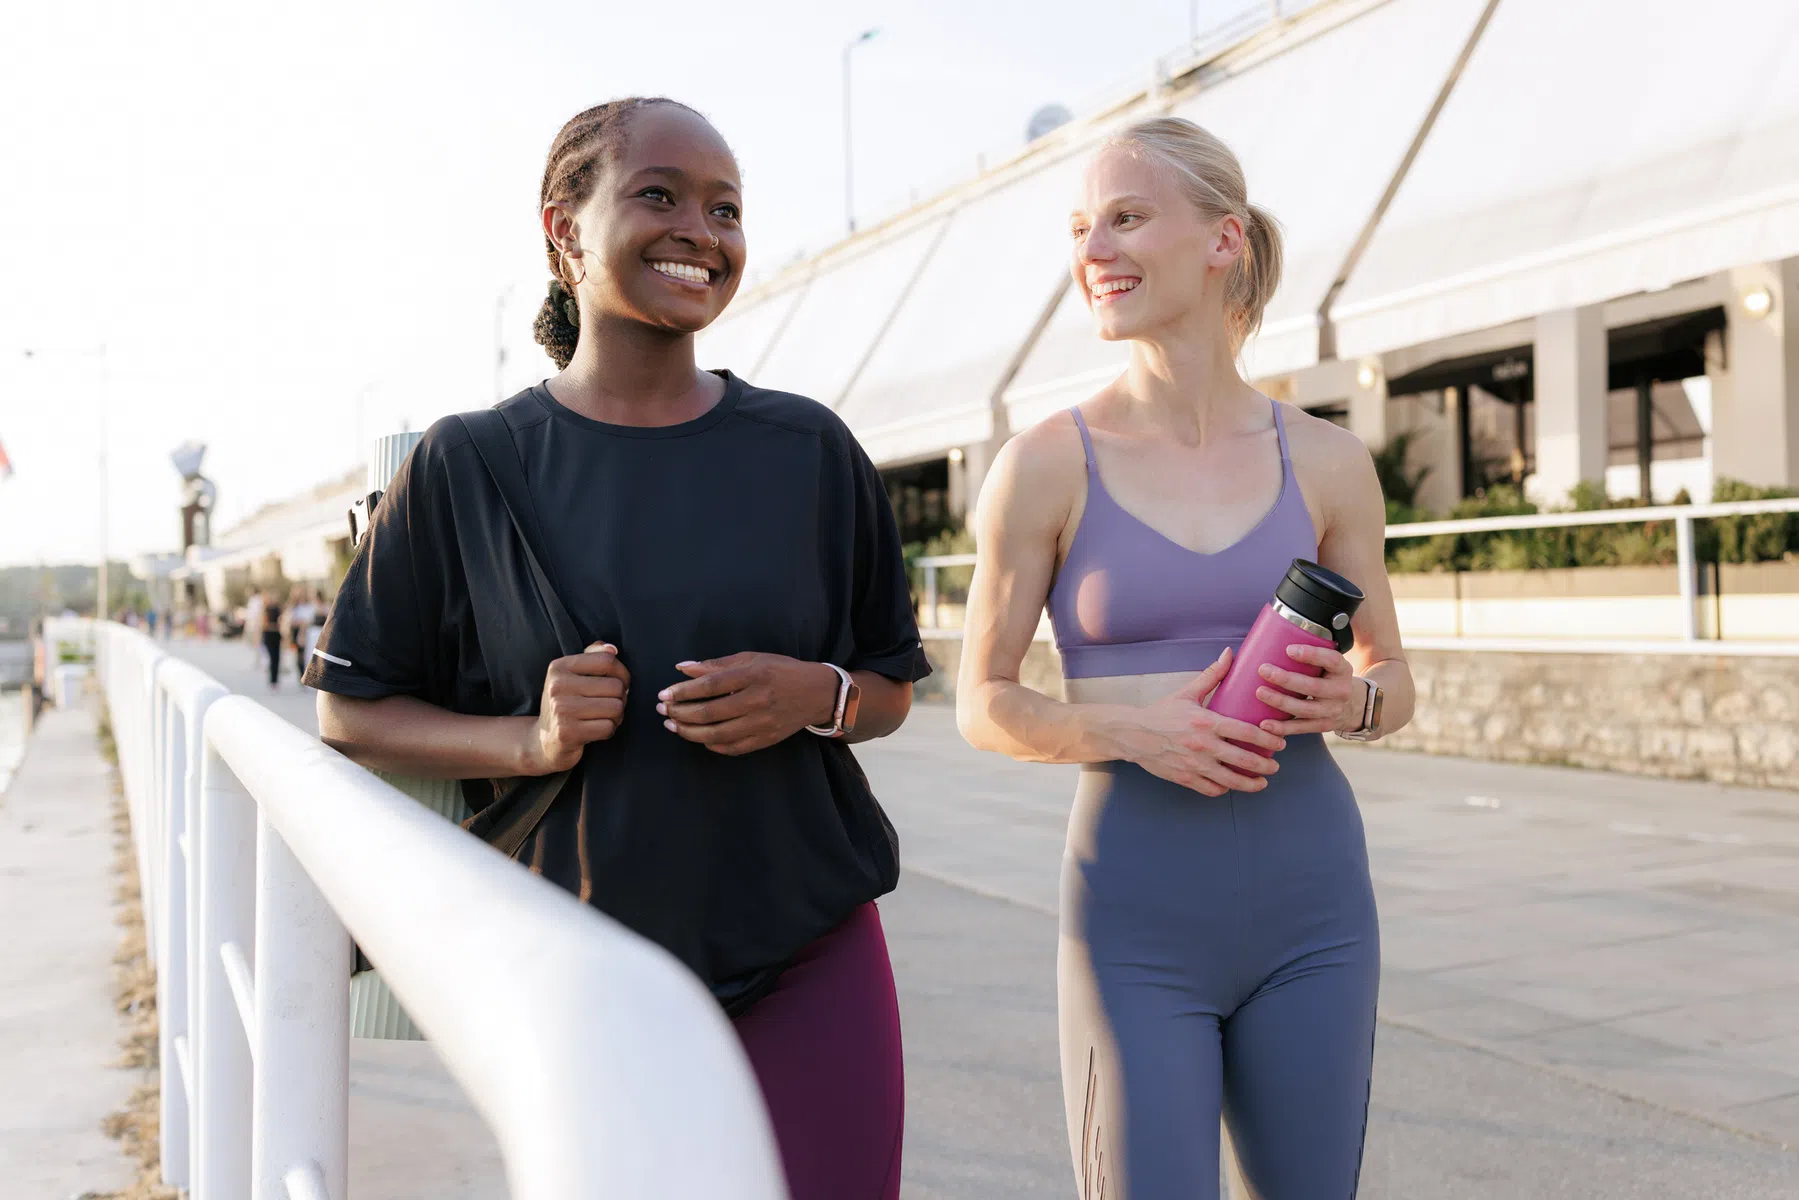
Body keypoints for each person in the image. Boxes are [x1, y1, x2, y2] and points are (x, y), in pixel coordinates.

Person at [304, 97, 925, 1200]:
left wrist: (814, 694)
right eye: (660, 195)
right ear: (562, 231)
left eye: (726, 209)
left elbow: (885, 687)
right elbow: (351, 711)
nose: (703, 229)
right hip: (579, 962)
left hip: (809, 946)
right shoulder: (467, 464)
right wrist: (528, 738)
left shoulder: (809, 449)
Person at [956, 117, 1415, 1200]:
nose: (1092, 251)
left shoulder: (1329, 462)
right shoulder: (1042, 466)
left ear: (1221, 241)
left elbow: (1394, 676)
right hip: (1133, 914)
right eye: (1079, 228)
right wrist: (1125, 729)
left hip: (1315, 910)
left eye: (1124, 217)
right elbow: (979, 701)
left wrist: (1349, 704)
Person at [260, 588, 285, 691]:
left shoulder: (278, 609)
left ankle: (276, 681)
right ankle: (272, 681)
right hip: (268, 636)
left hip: (277, 636)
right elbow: (264, 625)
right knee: (271, 658)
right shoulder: (265, 609)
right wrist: (275, 626)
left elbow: (282, 622)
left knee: (277, 659)